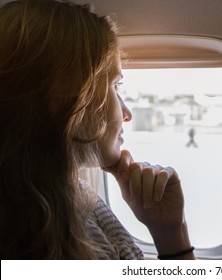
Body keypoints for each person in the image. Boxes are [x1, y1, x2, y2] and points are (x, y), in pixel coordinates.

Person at [0, 0, 195, 260]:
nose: (127, 114)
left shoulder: (79, 198)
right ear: (69, 99)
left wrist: (171, 233)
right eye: (115, 86)